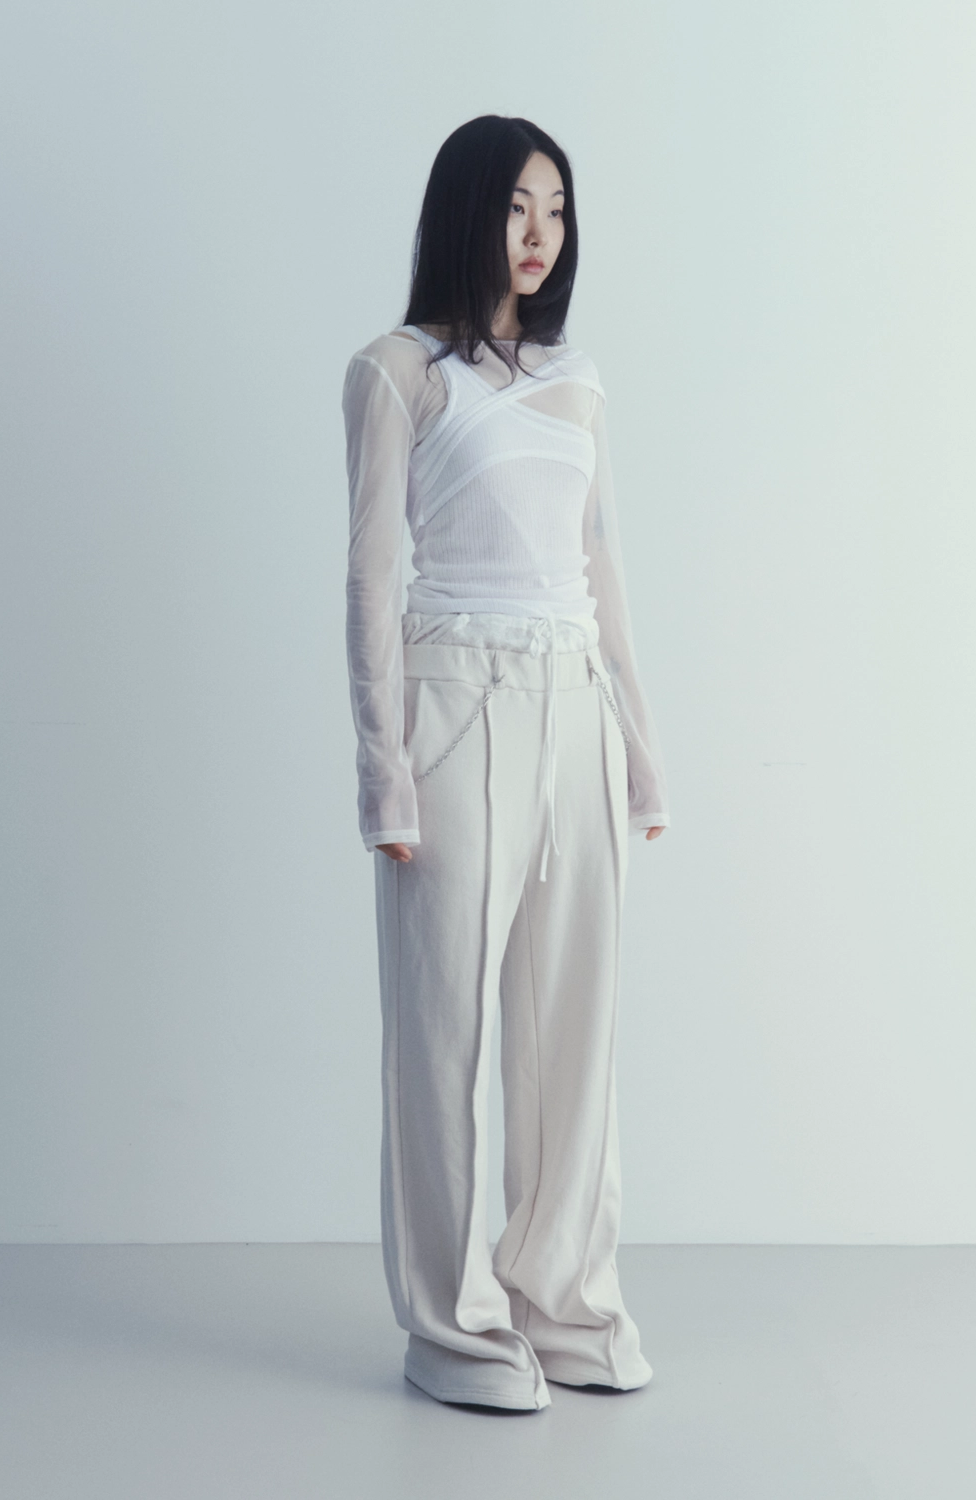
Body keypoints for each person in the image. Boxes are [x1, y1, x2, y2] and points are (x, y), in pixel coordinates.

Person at [341, 115, 670, 1412]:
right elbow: (370, 583)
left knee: (573, 1027)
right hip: (453, 703)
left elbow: (603, 567)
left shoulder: (578, 380)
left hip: (572, 702)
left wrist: (640, 750)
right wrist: (383, 774)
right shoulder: (397, 373)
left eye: (558, 210)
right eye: (517, 207)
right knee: (442, 1033)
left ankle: (563, 1301)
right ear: (466, 212)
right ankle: (453, 1327)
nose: (539, 235)